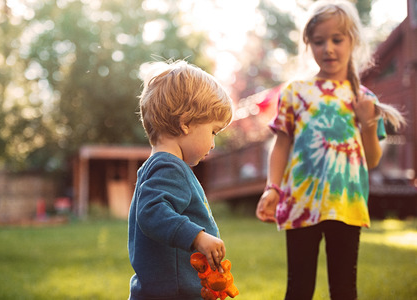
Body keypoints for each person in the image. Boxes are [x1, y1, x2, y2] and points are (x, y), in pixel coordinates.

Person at [255, 1, 405, 300]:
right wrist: (272, 187)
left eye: (337, 39)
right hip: (301, 202)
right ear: (308, 44)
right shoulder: (295, 92)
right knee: (298, 288)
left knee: (344, 289)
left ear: (353, 40)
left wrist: (366, 123)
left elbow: (372, 160)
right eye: (319, 41)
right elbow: (281, 145)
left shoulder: (364, 98)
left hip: (346, 205)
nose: (329, 48)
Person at [128, 60, 233, 300]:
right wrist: (197, 237)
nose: (214, 143)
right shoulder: (168, 166)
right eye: (213, 131)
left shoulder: (158, 166)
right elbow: (152, 212)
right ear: (186, 123)